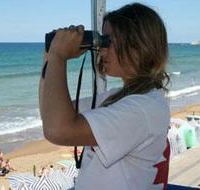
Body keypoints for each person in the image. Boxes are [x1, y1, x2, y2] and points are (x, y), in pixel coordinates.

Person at [39, 2, 170, 190]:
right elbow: (50, 112)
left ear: (137, 46)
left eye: (108, 41)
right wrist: (50, 56)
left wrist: (59, 57)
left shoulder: (142, 109)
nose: (101, 49)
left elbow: (58, 130)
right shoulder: (121, 97)